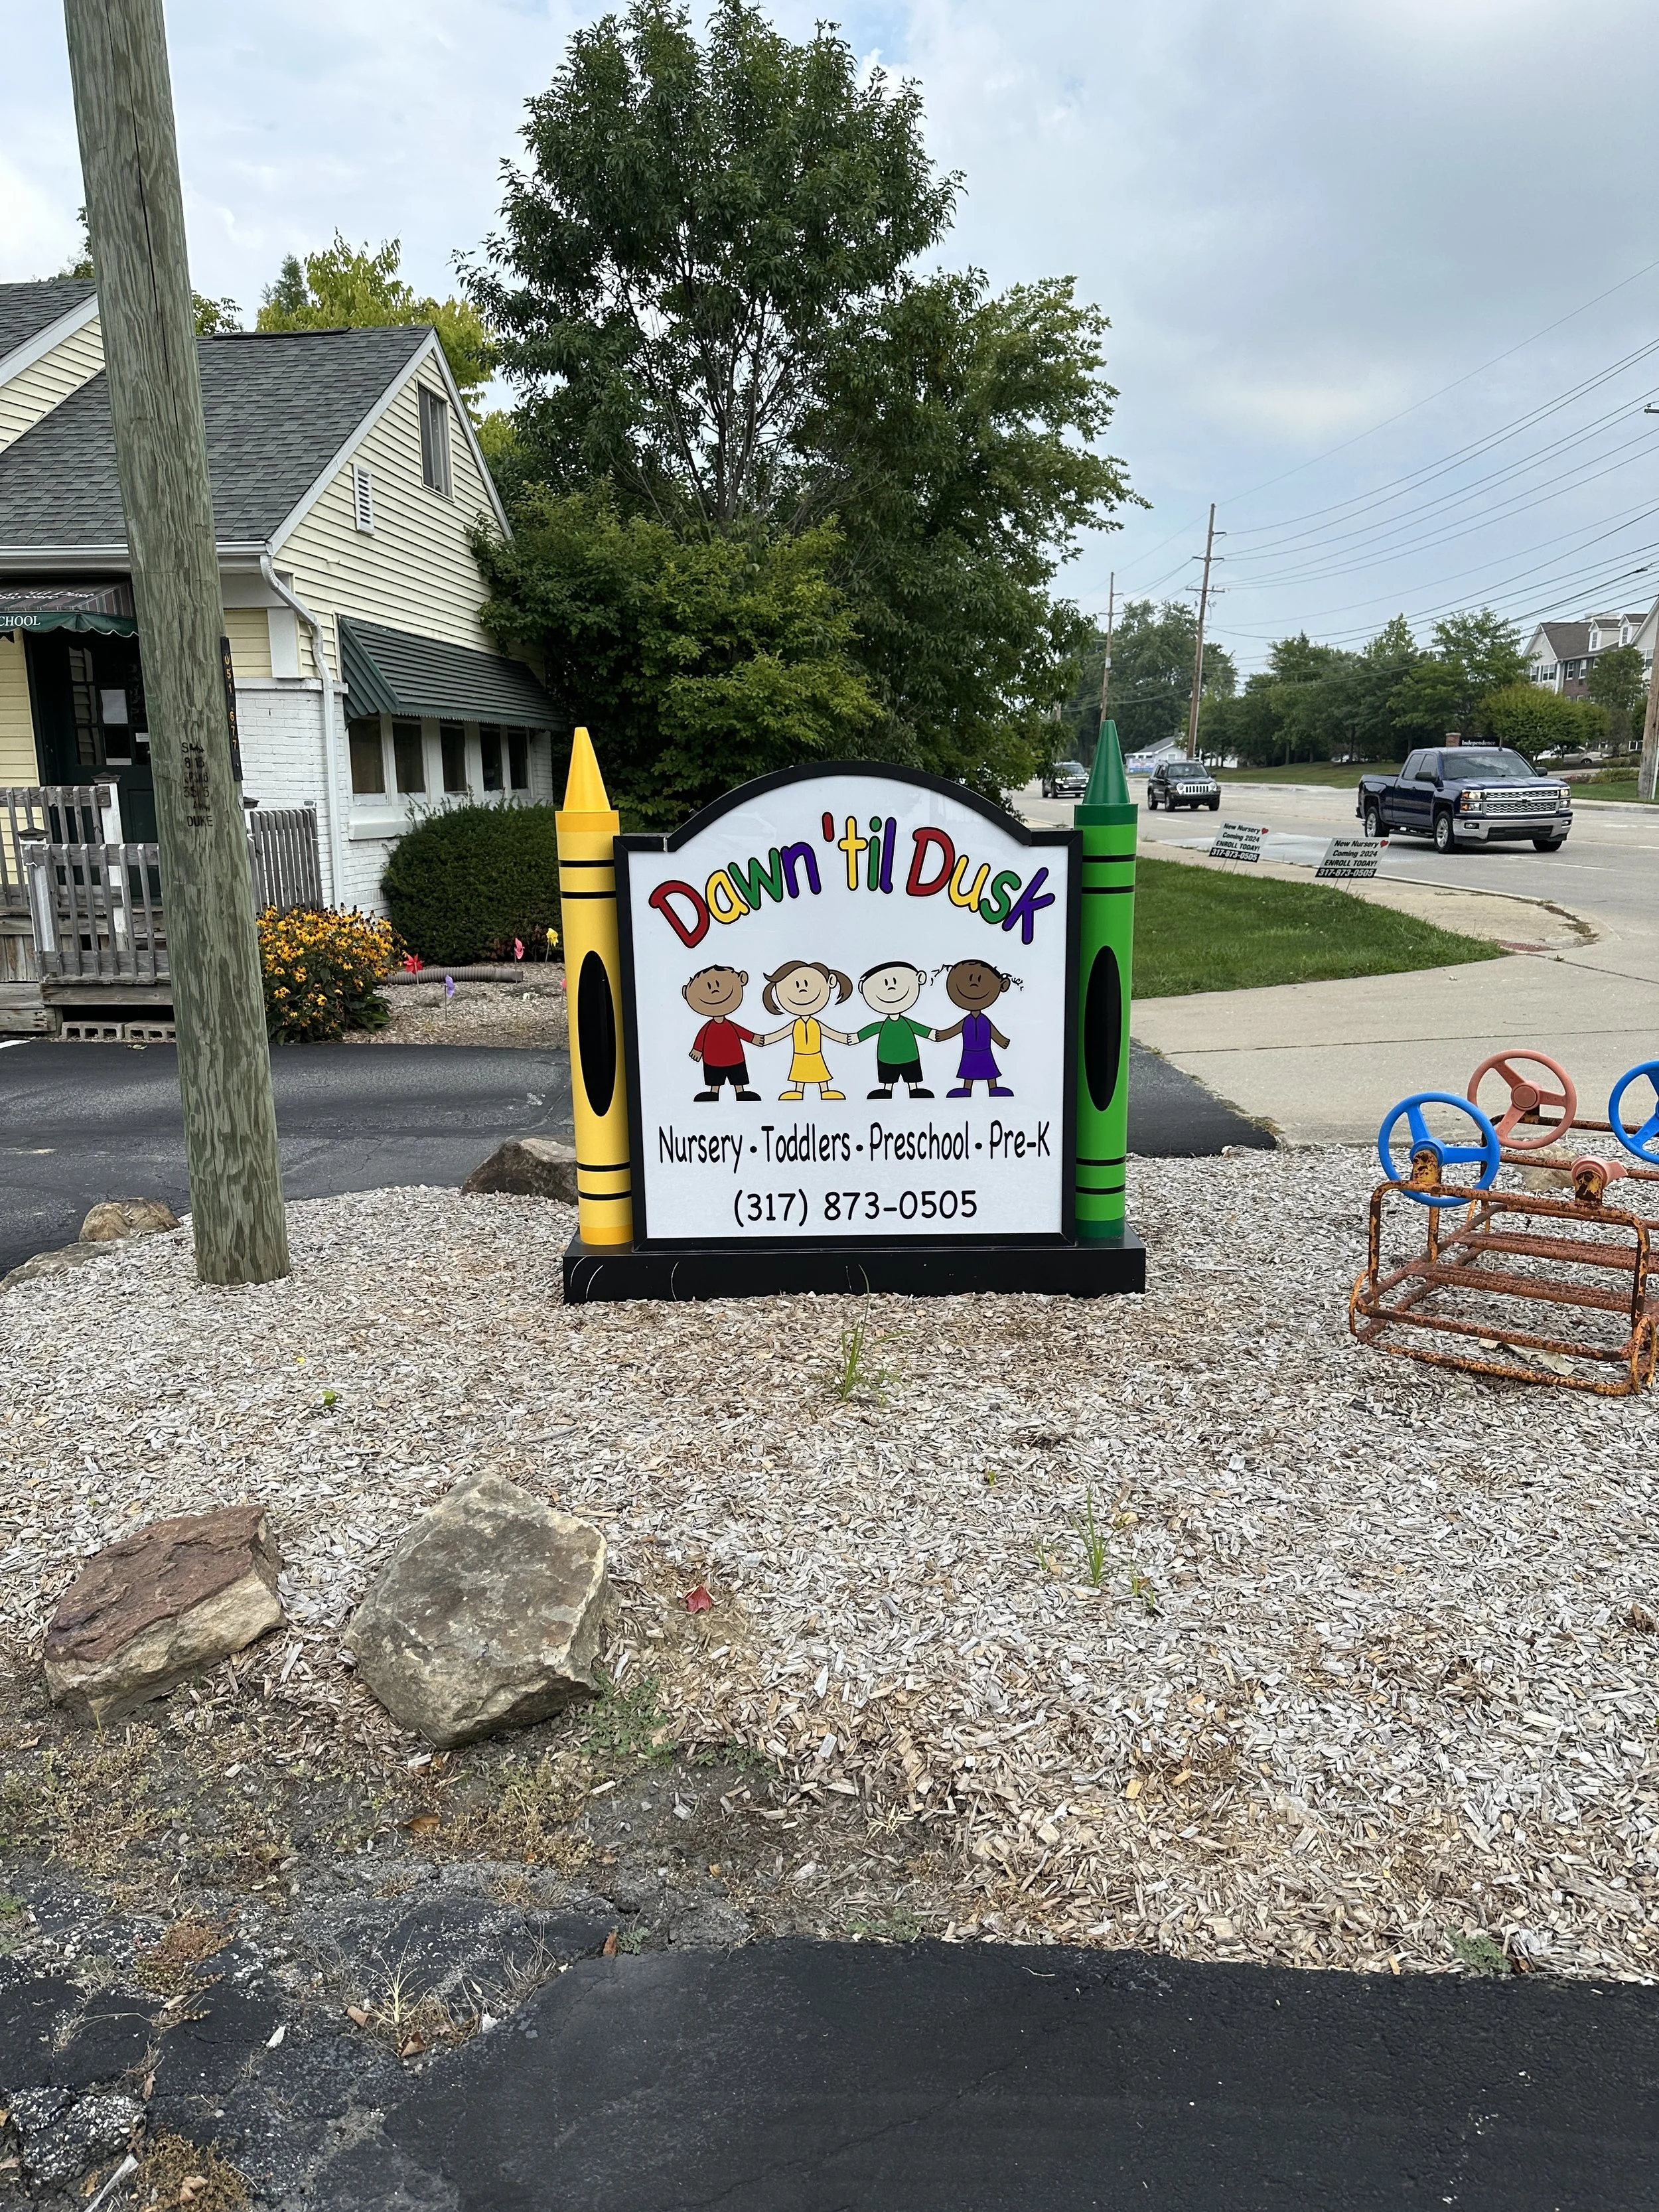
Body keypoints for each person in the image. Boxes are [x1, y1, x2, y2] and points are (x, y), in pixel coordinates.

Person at [755, 960, 855, 1101]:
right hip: (800, 1056)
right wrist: (765, 1040)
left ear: (830, 983)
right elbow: (781, 1034)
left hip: (816, 1054)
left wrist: (845, 1039)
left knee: (821, 1073)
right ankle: (798, 1091)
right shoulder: (795, 1025)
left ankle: (825, 1090)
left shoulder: (816, 1024)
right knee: (799, 1073)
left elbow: (830, 1033)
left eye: (808, 984)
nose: (802, 989)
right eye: (795, 985)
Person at [933, 958, 1015, 1098]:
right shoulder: (967, 1021)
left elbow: (993, 1031)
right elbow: (956, 1029)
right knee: (969, 1070)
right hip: (969, 1052)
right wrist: (943, 1035)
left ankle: (993, 1088)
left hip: (985, 1051)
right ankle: (966, 1089)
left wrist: (1002, 1041)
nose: (973, 985)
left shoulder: (985, 1020)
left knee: (989, 1070)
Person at [853, 960, 934, 1100]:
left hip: (909, 1055)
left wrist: (931, 1034)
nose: (890, 987)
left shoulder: (906, 1023)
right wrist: (858, 1037)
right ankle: (887, 1090)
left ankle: (914, 1089)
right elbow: (872, 1029)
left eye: (896, 981)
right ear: (863, 988)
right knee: (888, 1076)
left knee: (911, 1075)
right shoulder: (884, 1025)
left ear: (919, 979)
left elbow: (918, 1028)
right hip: (887, 1057)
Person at [682, 964, 761, 1101]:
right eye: (708, 987)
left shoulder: (730, 1025)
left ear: (741, 979)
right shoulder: (708, 1027)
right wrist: (697, 1050)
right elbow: (701, 1037)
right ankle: (714, 1093)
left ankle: (740, 1092)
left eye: (719, 984)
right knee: (715, 1079)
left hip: (735, 1058)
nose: (714, 990)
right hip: (713, 1059)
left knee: (738, 1077)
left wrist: (754, 1038)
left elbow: (741, 1032)